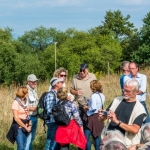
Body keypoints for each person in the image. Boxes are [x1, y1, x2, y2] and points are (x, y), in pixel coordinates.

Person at [99, 78, 146, 147]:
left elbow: (135, 129)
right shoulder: (116, 100)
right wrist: (102, 117)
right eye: (124, 90)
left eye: (128, 91)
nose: (124, 93)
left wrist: (117, 121)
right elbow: (101, 120)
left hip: (124, 145)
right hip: (108, 141)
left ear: (136, 92)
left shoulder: (140, 109)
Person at [83, 80, 105, 150]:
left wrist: (86, 107)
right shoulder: (102, 95)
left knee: (86, 137)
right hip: (99, 116)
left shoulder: (93, 96)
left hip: (92, 117)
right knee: (97, 135)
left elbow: (93, 108)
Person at [44, 77, 63, 150]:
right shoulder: (50, 95)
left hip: (56, 121)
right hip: (52, 122)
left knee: (54, 141)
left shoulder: (57, 94)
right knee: (50, 141)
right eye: (60, 82)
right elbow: (49, 110)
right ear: (56, 84)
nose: (61, 84)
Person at [25, 74, 39, 150]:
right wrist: (33, 108)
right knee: (27, 139)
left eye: (36, 81)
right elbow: (22, 106)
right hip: (28, 117)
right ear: (28, 82)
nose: (35, 83)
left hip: (35, 117)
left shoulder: (34, 90)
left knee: (32, 138)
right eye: (33, 82)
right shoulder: (25, 91)